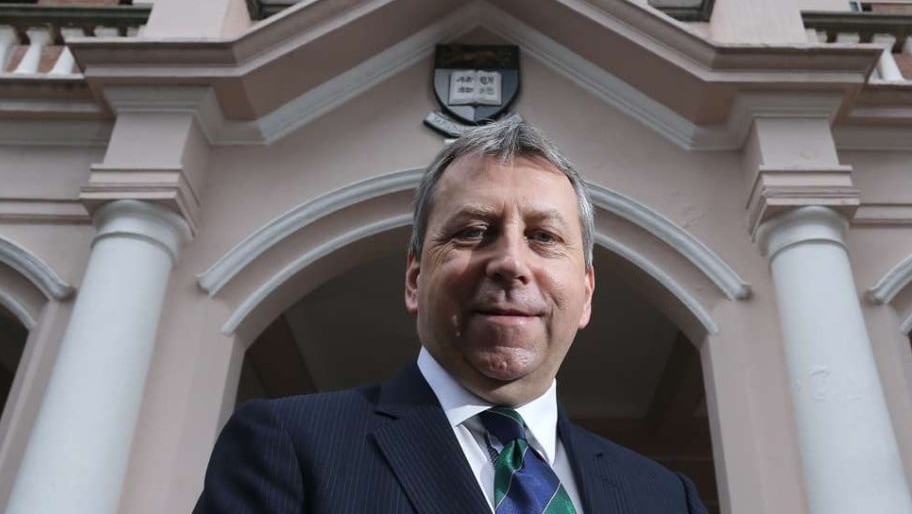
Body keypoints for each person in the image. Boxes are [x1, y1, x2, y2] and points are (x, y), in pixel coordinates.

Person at [193, 118, 707, 513]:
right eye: (472, 231)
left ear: (587, 294)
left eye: (543, 237)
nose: (510, 262)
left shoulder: (665, 498)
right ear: (416, 278)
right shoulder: (289, 446)